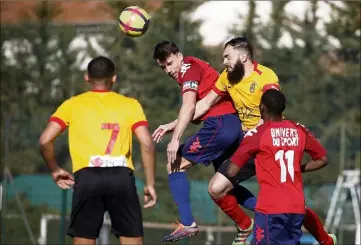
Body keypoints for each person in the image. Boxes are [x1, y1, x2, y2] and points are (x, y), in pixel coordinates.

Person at [160, 36, 336, 245]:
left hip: (265, 142)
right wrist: (174, 124)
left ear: (243, 56)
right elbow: (205, 104)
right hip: (247, 143)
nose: (224, 61)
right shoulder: (226, 77)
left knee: (280, 200)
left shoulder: (265, 76)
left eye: (227, 56)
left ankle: (323, 238)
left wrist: (260, 135)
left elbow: (272, 108)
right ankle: (246, 226)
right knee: (217, 189)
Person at [39, 56, 157, 245]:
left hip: (87, 177)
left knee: (84, 239)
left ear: (87, 77)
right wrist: (150, 183)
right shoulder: (130, 104)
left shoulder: (72, 104)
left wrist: (55, 169)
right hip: (121, 176)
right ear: (114, 78)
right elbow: (147, 144)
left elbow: (45, 140)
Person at [152, 40, 256, 244]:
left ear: (179, 56)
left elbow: (190, 106)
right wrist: (172, 125)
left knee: (175, 163)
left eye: (170, 63)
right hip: (233, 127)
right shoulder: (194, 66)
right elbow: (202, 105)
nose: (168, 70)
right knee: (225, 185)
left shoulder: (188, 69)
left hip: (220, 126)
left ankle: (187, 222)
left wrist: (175, 139)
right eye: (163, 67)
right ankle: (270, 212)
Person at [226, 89, 330, 245]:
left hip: (270, 209)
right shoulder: (299, 129)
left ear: (262, 108)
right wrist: (298, 169)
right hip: (296, 208)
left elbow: (231, 171)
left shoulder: (257, 134)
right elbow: (323, 159)